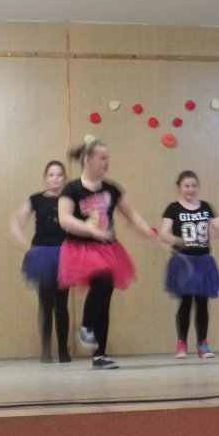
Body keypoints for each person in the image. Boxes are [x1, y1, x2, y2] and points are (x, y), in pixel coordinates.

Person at [57, 139, 158, 369]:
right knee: (103, 280)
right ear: (87, 160)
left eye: (107, 158)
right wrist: (91, 230)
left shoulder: (111, 189)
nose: (107, 162)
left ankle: (99, 355)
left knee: (104, 296)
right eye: (102, 158)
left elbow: (132, 216)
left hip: (107, 248)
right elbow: (65, 219)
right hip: (81, 249)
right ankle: (86, 328)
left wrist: (148, 232)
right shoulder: (72, 189)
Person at [160, 171, 219, 359]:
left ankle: (203, 343)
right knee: (186, 301)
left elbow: (215, 231)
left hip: (203, 260)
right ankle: (182, 342)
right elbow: (164, 234)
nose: (191, 189)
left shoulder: (205, 207)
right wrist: (178, 240)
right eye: (187, 186)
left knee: (202, 302)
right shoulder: (173, 208)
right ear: (179, 187)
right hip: (184, 261)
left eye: (194, 186)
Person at [9, 160, 71, 363]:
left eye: (59, 175)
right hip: (42, 254)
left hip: (64, 253)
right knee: (46, 304)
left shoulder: (70, 199)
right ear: (45, 178)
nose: (56, 178)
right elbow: (16, 221)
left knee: (62, 304)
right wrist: (26, 246)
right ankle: (46, 351)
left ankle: (63, 351)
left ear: (64, 178)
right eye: (51, 175)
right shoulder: (36, 199)